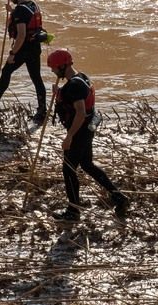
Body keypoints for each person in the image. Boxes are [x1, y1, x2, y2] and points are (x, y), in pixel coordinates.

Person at [47, 48, 130, 220]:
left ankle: (73, 211)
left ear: (62, 66)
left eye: (54, 68)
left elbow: (80, 112)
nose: (52, 71)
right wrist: (59, 93)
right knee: (87, 165)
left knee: (68, 169)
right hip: (88, 127)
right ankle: (118, 197)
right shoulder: (82, 77)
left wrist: (69, 137)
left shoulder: (74, 85)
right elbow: (75, 98)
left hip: (80, 130)